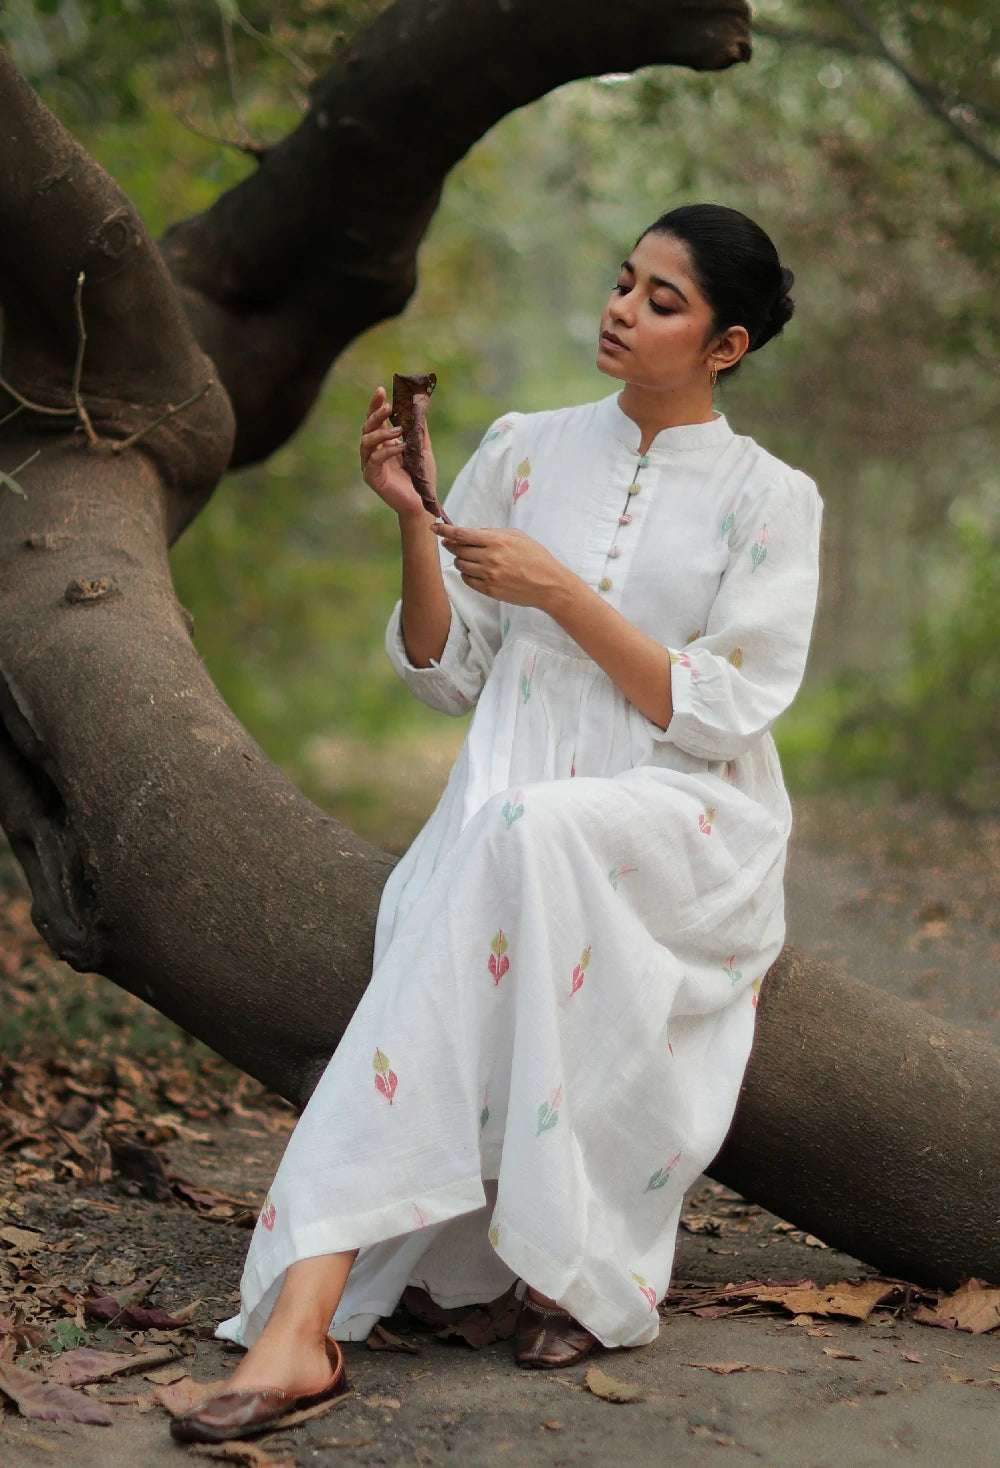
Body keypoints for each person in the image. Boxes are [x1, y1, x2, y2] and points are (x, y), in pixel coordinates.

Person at [172, 203, 823, 1443]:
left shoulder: (770, 499)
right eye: (622, 281)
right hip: (509, 791)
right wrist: (414, 518)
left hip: (682, 813)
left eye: (662, 300)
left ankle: (361, 1303)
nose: (621, 309)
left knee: (524, 835)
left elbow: (720, 709)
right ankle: (309, 1320)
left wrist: (564, 595)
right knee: (502, 840)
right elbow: (444, 668)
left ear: (727, 344)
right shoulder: (524, 450)